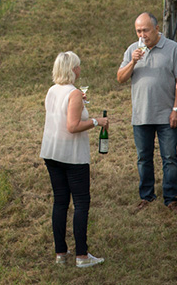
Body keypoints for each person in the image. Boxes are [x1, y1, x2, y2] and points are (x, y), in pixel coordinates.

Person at [40, 51, 109, 268]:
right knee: (81, 203)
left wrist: (80, 102)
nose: (80, 69)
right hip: (72, 156)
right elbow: (72, 126)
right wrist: (98, 121)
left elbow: (59, 116)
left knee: (60, 202)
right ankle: (82, 255)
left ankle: (61, 252)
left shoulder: (52, 91)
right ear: (72, 70)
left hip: (52, 153)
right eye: (78, 66)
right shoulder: (74, 93)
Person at [117, 12, 177, 211]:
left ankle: (171, 198)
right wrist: (133, 62)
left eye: (145, 30)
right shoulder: (132, 50)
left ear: (156, 29)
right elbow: (120, 78)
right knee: (143, 158)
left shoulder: (173, 49)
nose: (142, 35)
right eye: (138, 31)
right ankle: (147, 196)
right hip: (141, 115)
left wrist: (176, 109)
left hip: (166, 114)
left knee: (170, 157)